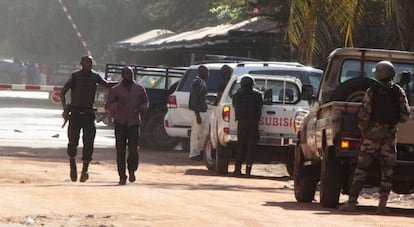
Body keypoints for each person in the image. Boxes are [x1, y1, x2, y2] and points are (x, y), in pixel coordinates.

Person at [339, 61, 411, 215]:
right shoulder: (398, 92)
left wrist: (366, 131)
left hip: (371, 136)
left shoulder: (372, 91)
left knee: (361, 170)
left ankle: (352, 202)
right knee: (387, 172)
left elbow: (364, 115)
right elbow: (406, 115)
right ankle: (382, 206)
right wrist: (391, 124)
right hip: (389, 137)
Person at [60, 55, 111, 183]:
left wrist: (121, 83)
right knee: (73, 141)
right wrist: (65, 108)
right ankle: (72, 164)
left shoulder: (95, 76)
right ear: (81, 63)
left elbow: (106, 85)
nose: (89, 64)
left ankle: (85, 170)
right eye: (86, 62)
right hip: (75, 113)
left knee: (89, 141)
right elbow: (63, 92)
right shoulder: (75, 76)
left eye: (90, 62)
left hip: (89, 113)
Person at [105, 66, 149, 185]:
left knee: (133, 149)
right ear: (122, 75)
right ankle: (122, 176)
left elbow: (146, 102)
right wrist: (117, 105)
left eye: (130, 73)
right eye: (126, 73)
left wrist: (141, 108)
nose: (129, 75)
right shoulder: (115, 90)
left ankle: (132, 171)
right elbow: (108, 106)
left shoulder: (139, 89)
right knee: (120, 150)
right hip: (120, 122)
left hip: (134, 123)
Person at [231, 75, 263, 176]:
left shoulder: (237, 94)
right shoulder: (258, 94)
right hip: (254, 123)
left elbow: (234, 105)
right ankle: (248, 170)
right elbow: (260, 105)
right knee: (251, 146)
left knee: (241, 145)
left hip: (242, 123)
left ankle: (237, 169)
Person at [188, 65, 209, 161]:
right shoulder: (197, 82)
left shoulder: (201, 82)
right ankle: (193, 154)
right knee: (195, 133)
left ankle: (200, 151)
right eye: (207, 72)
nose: (208, 74)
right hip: (198, 112)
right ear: (201, 72)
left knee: (204, 133)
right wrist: (197, 115)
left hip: (203, 111)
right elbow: (194, 99)